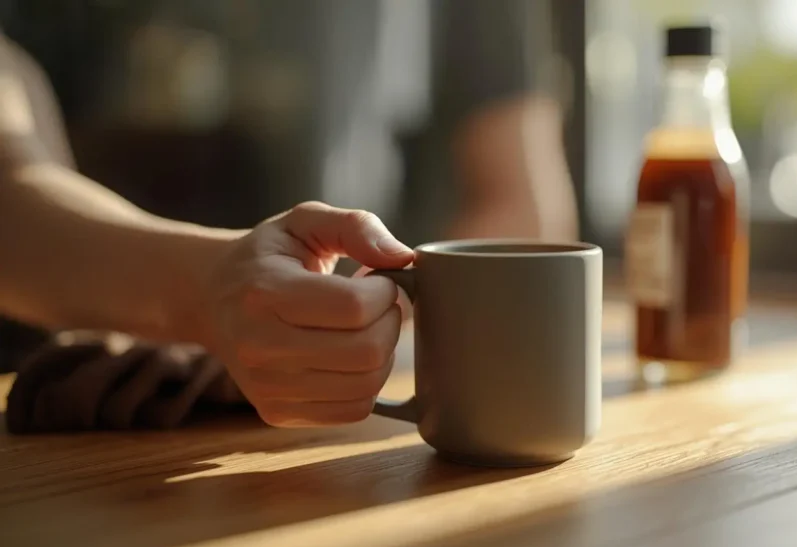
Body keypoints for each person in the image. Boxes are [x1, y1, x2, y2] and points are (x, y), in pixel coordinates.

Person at [0, 4, 577, 430]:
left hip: (349, 420)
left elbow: (523, 203)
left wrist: (372, 334)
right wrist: (210, 288)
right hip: (82, 430)